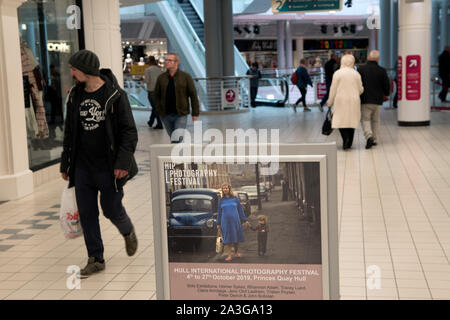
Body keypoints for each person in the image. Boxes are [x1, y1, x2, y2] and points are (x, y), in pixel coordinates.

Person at [61, 49, 139, 277]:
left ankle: (127, 231)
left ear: (85, 70)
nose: (71, 73)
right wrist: (66, 164)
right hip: (83, 166)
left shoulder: (115, 95)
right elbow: (69, 131)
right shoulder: (75, 95)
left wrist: (123, 162)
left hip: (110, 166)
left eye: (74, 69)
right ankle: (96, 258)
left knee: (111, 209)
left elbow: (129, 132)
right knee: (87, 213)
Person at [154, 53, 199, 143]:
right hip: (165, 115)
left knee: (176, 138)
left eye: (169, 60)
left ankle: (177, 156)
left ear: (176, 62)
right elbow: (156, 95)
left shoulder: (186, 77)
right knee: (173, 138)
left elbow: (193, 95)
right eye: (166, 60)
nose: (167, 62)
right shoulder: (161, 78)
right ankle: (178, 155)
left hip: (180, 114)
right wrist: (159, 110)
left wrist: (195, 113)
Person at [328, 54, 364, 150]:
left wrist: (330, 101)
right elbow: (360, 89)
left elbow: (333, 89)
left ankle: (345, 139)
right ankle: (349, 142)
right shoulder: (356, 74)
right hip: (354, 100)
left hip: (340, 100)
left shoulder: (337, 73)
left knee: (340, 120)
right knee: (351, 121)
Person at [358, 50, 390, 149]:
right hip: (377, 100)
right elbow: (386, 85)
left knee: (365, 119)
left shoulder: (361, 69)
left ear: (368, 58)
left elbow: (358, 84)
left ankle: (369, 136)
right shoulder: (382, 70)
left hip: (365, 99)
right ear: (378, 59)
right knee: (375, 120)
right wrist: (386, 94)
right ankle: (375, 139)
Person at [216, 183, 250, 261]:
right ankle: (229, 255)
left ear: (229, 189)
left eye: (226, 188)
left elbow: (240, 211)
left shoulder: (235, 199)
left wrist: (245, 220)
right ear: (222, 190)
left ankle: (236, 252)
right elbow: (219, 212)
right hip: (225, 222)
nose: (225, 189)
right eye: (223, 188)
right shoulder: (221, 200)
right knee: (228, 239)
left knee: (236, 237)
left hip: (235, 221)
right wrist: (218, 223)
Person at [144, 56, 163, 129]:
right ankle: (151, 121)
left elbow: (147, 81)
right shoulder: (159, 69)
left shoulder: (148, 70)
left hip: (151, 91)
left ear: (149, 61)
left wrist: (143, 79)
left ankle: (159, 124)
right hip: (159, 91)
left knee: (155, 108)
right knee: (155, 107)